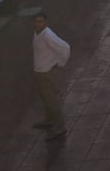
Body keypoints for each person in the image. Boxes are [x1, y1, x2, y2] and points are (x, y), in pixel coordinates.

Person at [32, 12, 70, 140]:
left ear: (45, 22)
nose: (38, 24)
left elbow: (65, 48)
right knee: (45, 97)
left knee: (52, 100)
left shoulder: (47, 35)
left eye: (41, 21)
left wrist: (60, 63)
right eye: (36, 21)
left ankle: (60, 127)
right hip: (39, 71)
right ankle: (48, 120)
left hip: (46, 72)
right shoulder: (37, 32)